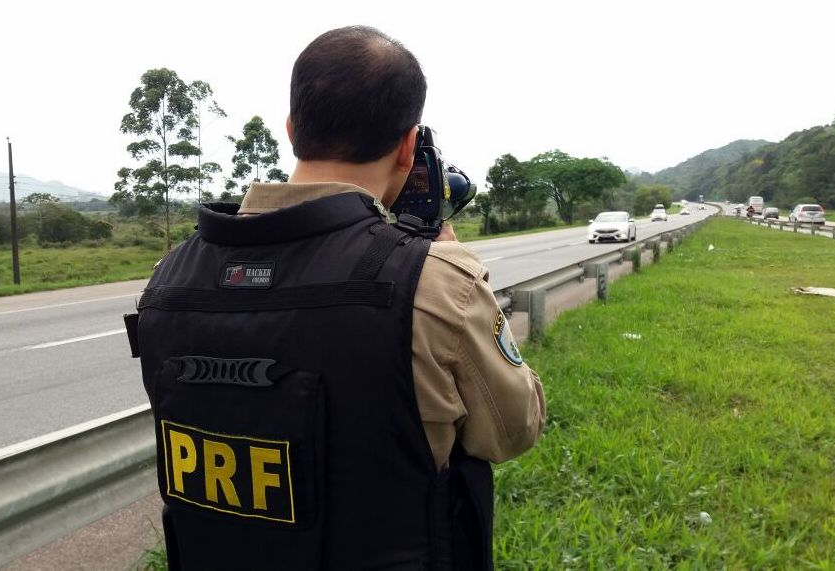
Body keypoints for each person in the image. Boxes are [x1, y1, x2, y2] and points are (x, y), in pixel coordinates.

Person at [129, 25, 544, 570]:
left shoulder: (166, 279)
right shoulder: (437, 280)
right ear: (405, 146)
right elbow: (513, 431)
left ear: (291, 128)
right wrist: (454, 264)